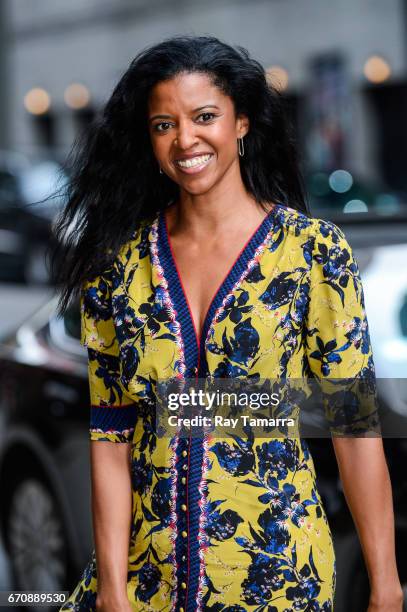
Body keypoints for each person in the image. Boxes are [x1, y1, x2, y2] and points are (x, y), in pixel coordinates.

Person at [54, 35, 403, 611]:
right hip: (147, 581)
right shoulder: (117, 266)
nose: (185, 139)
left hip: (275, 576)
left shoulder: (313, 254)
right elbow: (110, 439)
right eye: (164, 124)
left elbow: (355, 432)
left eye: (204, 117)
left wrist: (386, 586)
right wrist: (113, 591)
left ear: (241, 123)